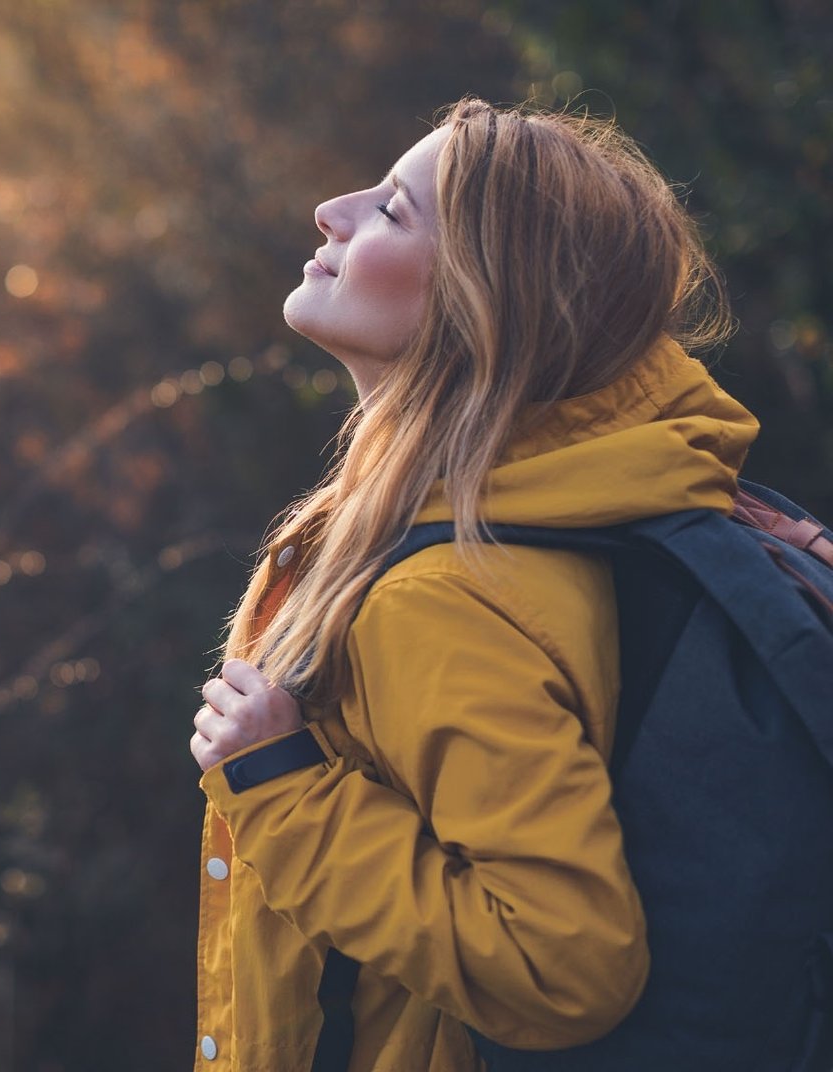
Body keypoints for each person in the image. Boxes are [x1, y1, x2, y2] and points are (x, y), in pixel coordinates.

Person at [188, 97, 755, 1070]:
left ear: (480, 301)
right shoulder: (569, 504)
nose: (332, 208)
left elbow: (564, 964)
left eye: (394, 212)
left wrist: (284, 792)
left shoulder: (438, 597)